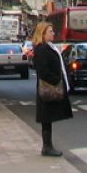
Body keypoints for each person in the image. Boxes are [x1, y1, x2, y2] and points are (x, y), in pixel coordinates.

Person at [31, 21, 72, 157]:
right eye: (50, 31)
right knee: (46, 118)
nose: (53, 33)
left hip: (49, 87)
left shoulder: (49, 47)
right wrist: (57, 80)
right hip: (47, 88)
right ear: (43, 34)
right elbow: (43, 71)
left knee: (47, 119)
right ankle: (47, 147)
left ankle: (48, 146)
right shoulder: (42, 49)